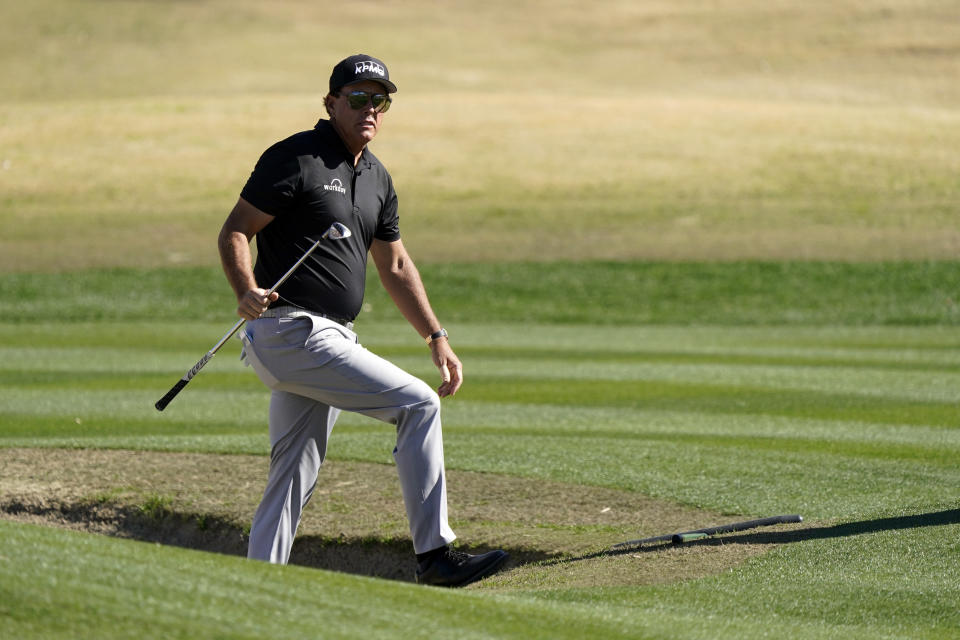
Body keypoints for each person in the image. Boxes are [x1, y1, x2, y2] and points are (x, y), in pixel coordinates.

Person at [217, 54, 508, 587]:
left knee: (293, 469)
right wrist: (246, 289)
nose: (369, 108)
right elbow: (236, 229)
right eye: (357, 98)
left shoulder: (376, 176)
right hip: (292, 331)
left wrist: (435, 336)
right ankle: (435, 557)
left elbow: (394, 263)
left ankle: (258, 588)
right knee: (418, 404)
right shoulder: (296, 157)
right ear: (330, 103)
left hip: (327, 339)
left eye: (380, 99)